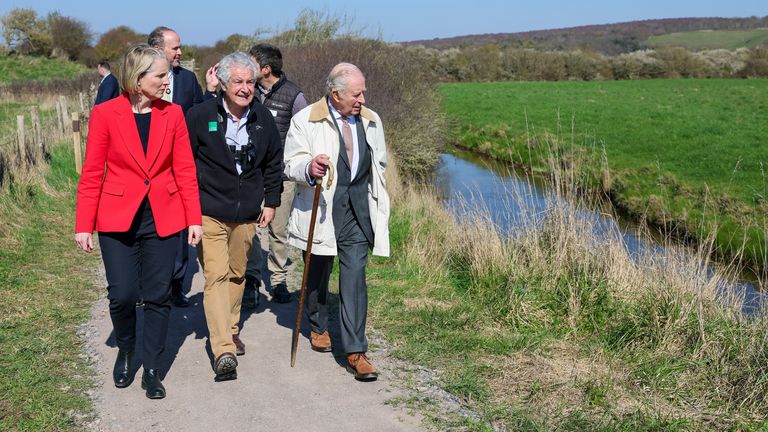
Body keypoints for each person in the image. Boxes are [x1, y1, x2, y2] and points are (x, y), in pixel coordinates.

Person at [74, 43, 203, 399]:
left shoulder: (173, 114)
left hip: (163, 217)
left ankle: (152, 368)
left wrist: (193, 217)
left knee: (160, 296)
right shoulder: (106, 113)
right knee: (123, 294)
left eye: (166, 75)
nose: (166, 81)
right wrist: (84, 223)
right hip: (117, 218)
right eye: (160, 75)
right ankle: (127, 348)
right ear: (138, 77)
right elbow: (91, 174)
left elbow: (185, 171)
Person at [283, 62, 390, 381]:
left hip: (358, 209)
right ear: (335, 94)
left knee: (355, 276)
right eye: (357, 94)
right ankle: (317, 324)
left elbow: (380, 162)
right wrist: (309, 168)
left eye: (363, 92)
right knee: (317, 269)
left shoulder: (371, 121)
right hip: (323, 205)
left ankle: (356, 351)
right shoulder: (306, 120)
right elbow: (290, 163)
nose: (363, 99)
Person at [186, 52, 283, 381]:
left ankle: (229, 326)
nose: (245, 88)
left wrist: (271, 201)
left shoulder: (263, 117)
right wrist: (190, 214)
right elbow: (185, 165)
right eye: (239, 82)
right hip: (209, 209)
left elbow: (273, 163)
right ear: (223, 84)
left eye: (250, 82)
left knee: (238, 273)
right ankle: (223, 348)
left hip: (247, 213)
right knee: (215, 276)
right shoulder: (200, 116)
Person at [242, 44, 308, 307]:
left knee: (278, 231)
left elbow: (306, 135)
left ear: (265, 69)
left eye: (251, 63)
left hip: (280, 177)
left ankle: (279, 279)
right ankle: (251, 279)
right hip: (250, 174)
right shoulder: (247, 90)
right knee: (250, 230)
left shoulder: (295, 96)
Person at [148, 26, 204, 307]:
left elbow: (201, 113)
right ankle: (147, 285)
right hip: (148, 168)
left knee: (179, 228)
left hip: (180, 164)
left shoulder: (188, 79)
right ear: (158, 49)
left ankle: (175, 286)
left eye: (179, 47)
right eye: (175, 48)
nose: (180, 52)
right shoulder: (138, 80)